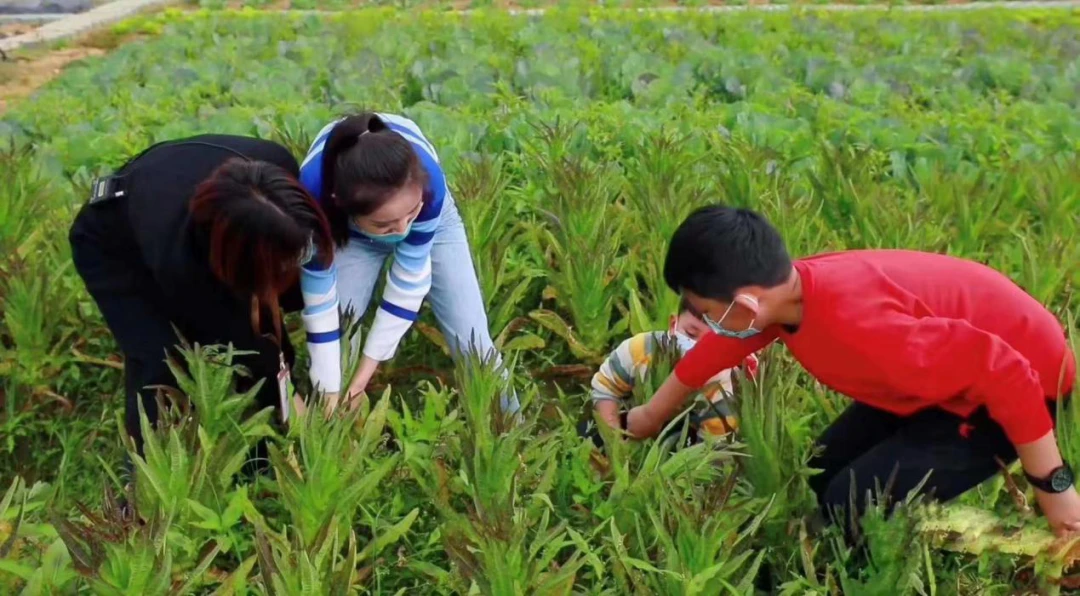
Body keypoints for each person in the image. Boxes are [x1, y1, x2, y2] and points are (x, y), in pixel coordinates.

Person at [625, 204, 1080, 537]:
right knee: (817, 474)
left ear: (746, 303)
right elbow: (718, 349)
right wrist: (650, 415)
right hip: (927, 380)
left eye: (707, 314)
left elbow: (1007, 373)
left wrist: (1053, 488)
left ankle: (922, 554)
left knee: (854, 504)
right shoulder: (788, 295)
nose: (706, 326)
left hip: (1017, 391)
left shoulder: (860, 328)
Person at [69, 135, 340, 456]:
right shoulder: (184, 265)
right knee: (160, 358)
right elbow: (248, 346)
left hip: (181, 207)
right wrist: (288, 397)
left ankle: (273, 436)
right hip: (113, 243)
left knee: (286, 300)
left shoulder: (276, 164)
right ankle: (148, 472)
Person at [296, 112, 518, 415]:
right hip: (350, 234)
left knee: (472, 342)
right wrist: (333, 389)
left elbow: (408, 285)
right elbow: (319, 304)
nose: (402, 231)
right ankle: (329, 426)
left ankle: (512, 432)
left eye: (409, 215)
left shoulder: (429, 184)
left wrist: (360, 381)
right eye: (388, 225)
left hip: (434, 223)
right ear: (341, 203)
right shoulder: (313, 196)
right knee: (339, 329)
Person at [578, 299, 758, 450]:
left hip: (687, 439)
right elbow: (607, 389)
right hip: (631, 419)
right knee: (588, 433)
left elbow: (714, 446)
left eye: (711, 344)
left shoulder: (723, 385)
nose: (698, 350)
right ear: (673, 324)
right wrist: (614, 441)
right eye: (691, 334)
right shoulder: (639, 350)